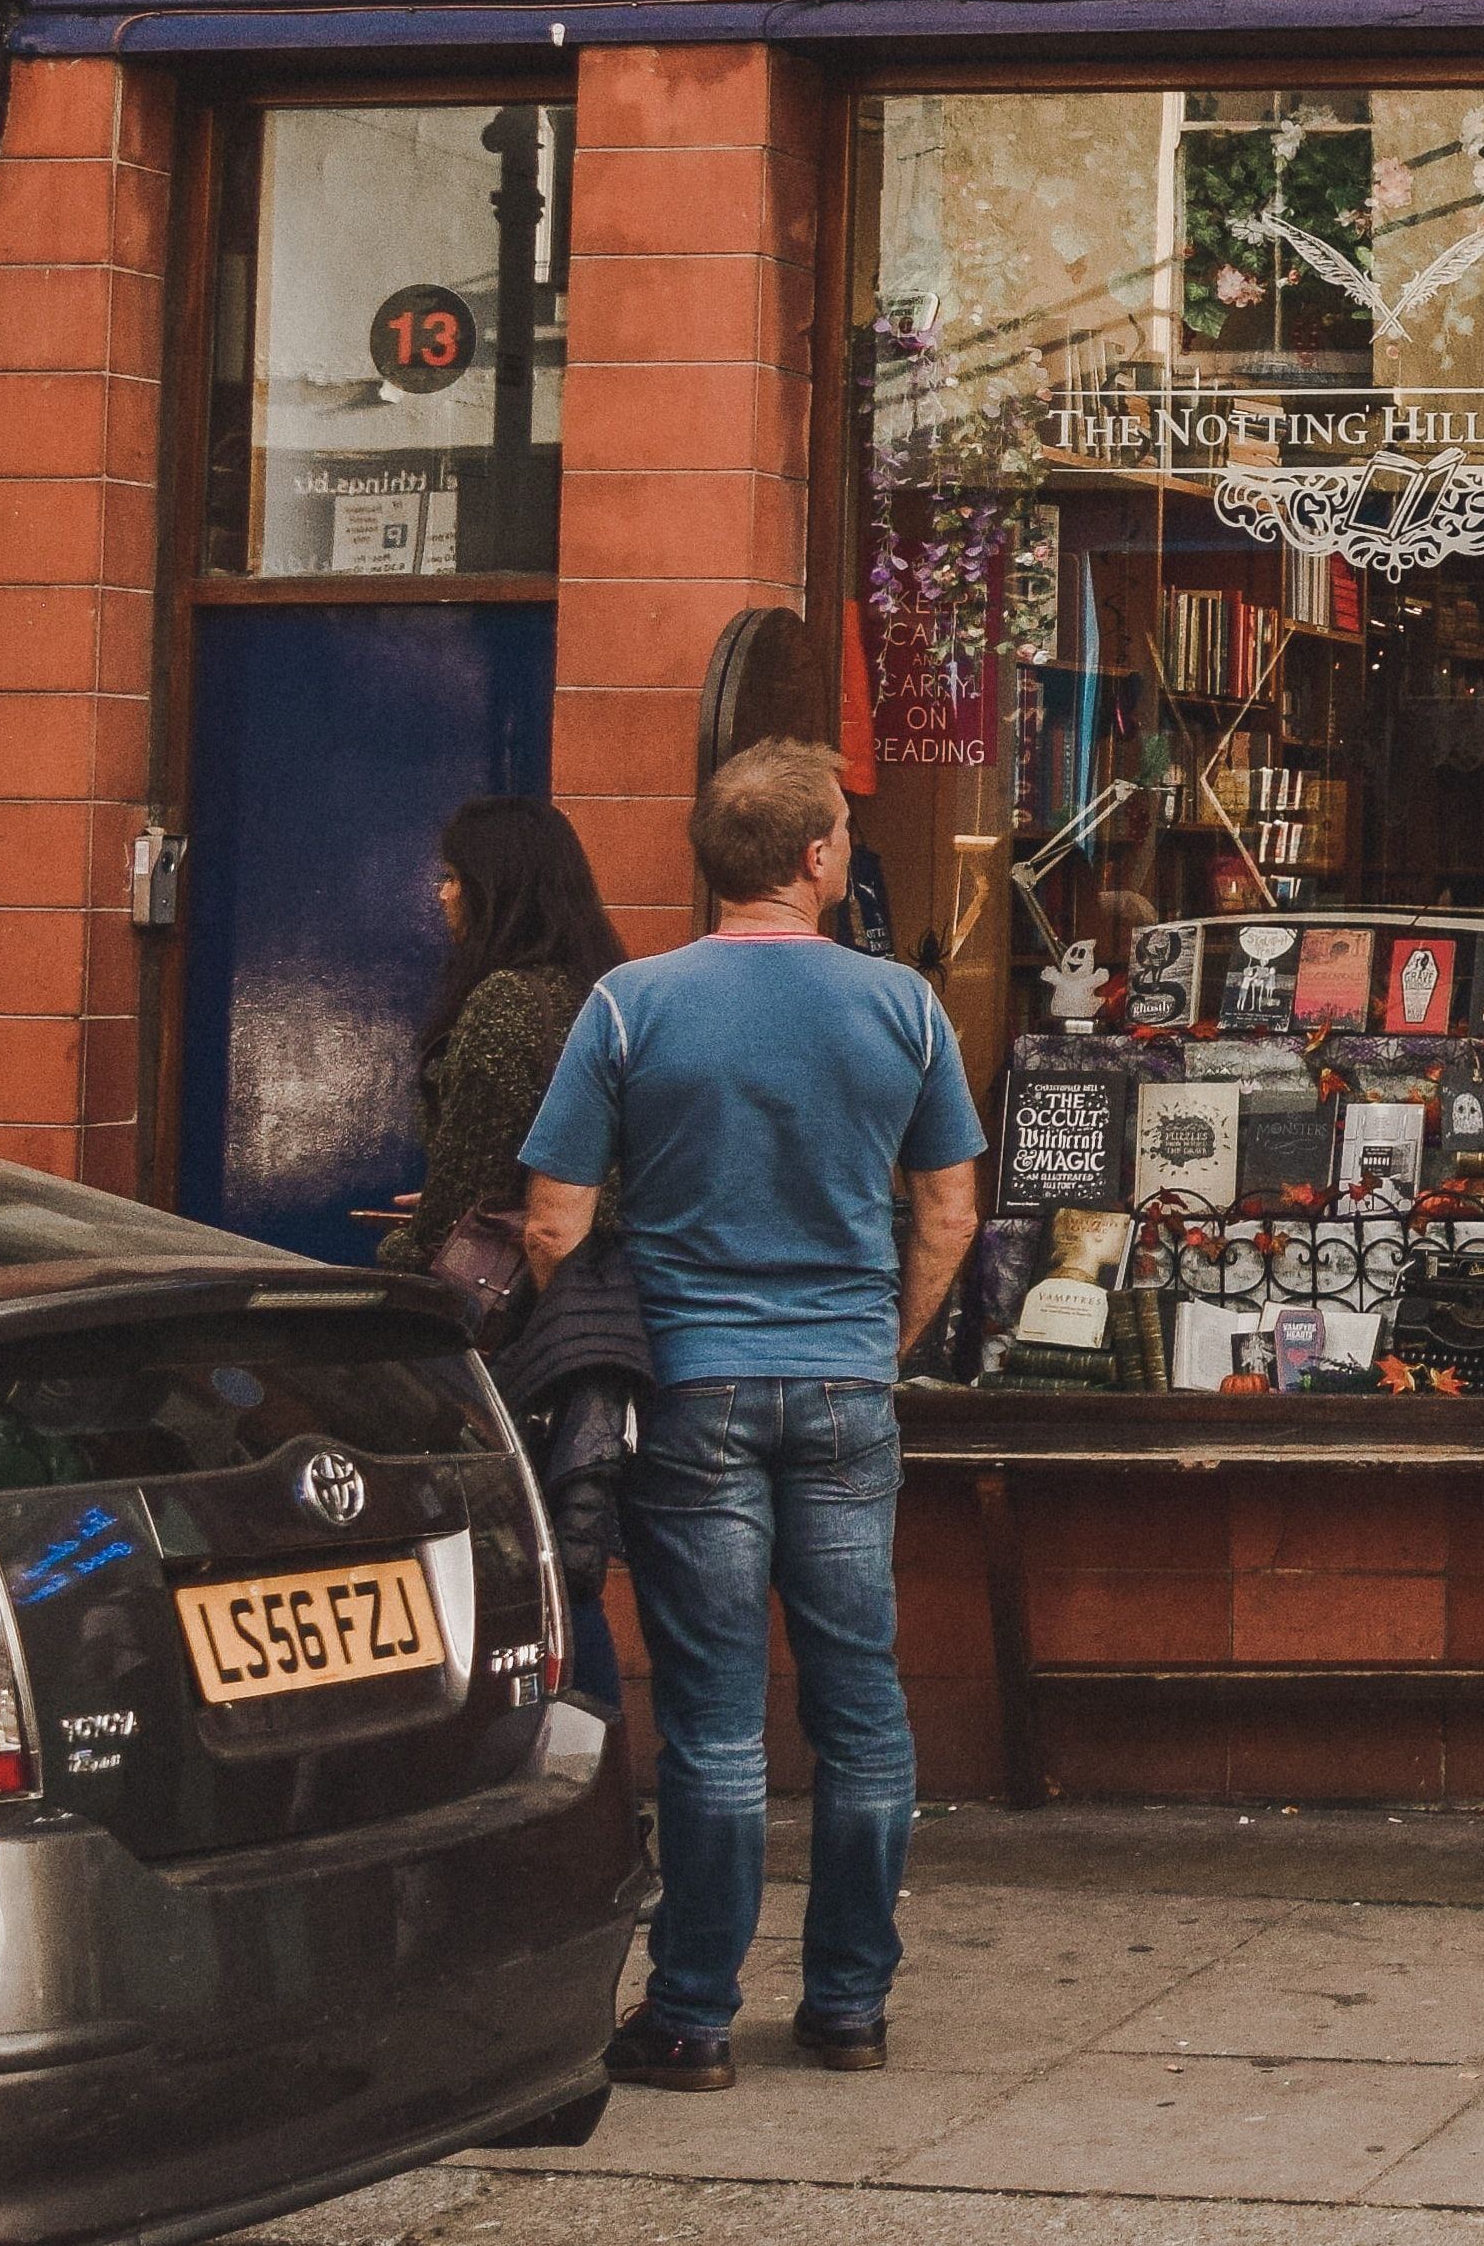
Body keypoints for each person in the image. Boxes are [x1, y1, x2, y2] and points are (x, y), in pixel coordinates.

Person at [516, 740, 988, 2094]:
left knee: (716, 1718)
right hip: (845, 1386)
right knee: (862, 1702)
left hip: (693, 1389)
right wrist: (878, 1337)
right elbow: (950, 1212)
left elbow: (554, 1218)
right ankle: (847, 2003)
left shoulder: (629, 1005)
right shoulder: (900, 1006)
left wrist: (616, 1327)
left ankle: (694, 2014)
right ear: (817, 858)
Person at [383, 796, 628, 1290]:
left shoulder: (507, 1001)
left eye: (453, 878)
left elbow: (471, 1186)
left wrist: (403, 1249)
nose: (443, 895)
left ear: (494, 892)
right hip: (608, 1283)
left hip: (524, 1298)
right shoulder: (606, 988)